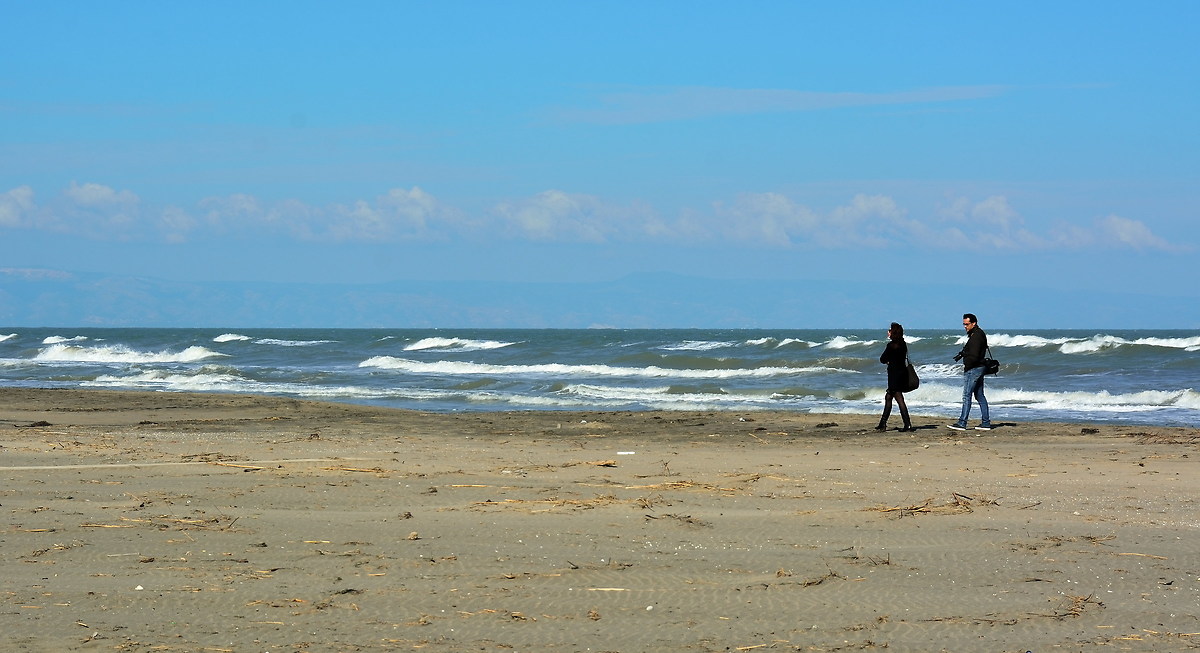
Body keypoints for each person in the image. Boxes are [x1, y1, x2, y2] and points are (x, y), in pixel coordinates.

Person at [948, 313, 991, 431]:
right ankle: (986, 423)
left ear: (974, 323)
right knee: (979, 395)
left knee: (967, 395)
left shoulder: (976, 336)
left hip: (974, 369)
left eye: (967, 324)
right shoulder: (977, 334)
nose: (965, 326)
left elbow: (975, 355)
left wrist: (967, 363)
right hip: (979, 367)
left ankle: (962, 422)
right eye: (964, 324)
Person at [876, 322, 913, 432]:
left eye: (890, 330)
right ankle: (882, 423)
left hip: (893, 376)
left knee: (899, 399)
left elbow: (882, 359)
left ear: (893, 332)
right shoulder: (903, 344)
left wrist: (889, 361)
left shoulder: (891, 345)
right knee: (888, 397)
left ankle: (908, 424)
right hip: (902, 374)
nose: (888, 332)